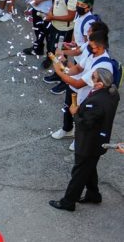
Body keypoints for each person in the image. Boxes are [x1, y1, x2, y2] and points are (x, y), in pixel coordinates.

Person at [49, 68, 120, 211]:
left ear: (100, 84)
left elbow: (85, 124)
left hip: (89, 143)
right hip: (99, 141)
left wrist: (74, 113)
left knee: (79, 172)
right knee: (89, 167)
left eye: (93, 77)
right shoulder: (113, 94)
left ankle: (68, 202)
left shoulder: (97, 102)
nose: (90, 79)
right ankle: (93, 195)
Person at [50, 28, 113, 149]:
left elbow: (79, 83)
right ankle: (67, 129)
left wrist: (59, 72)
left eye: (91, 45)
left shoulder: (103, 65)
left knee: (81, 119)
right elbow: (78, 68)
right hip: (76, 89)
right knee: (68, 109)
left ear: (100, 47)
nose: (87, 46)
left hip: (87, 97)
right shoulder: (92, 53)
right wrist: (65, 68)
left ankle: (79, 140)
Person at [44, 0, 80, 92]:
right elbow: (57, 1)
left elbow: (70, 16)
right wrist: (51, 11)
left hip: (63, 31)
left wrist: (52, 17)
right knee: (55, 53)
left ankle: (65, 80)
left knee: (61, 55)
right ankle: (57, 74)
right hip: (55, 26)